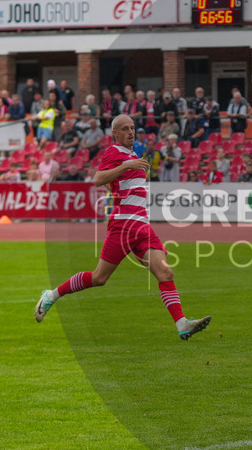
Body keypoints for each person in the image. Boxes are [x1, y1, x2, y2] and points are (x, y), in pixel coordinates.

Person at [33, 115, 211, 340]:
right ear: (115, 134)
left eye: (132, 128)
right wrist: (126, 166)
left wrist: (120, 182)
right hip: (124, 224)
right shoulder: (115, 152)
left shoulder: (132, 155)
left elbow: (116, 183)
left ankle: (182, 324)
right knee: (99, 278)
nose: (131, 132)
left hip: (142, 225)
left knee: (166, 272)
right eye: (125, 129)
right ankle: (51, 295)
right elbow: (98, 178)